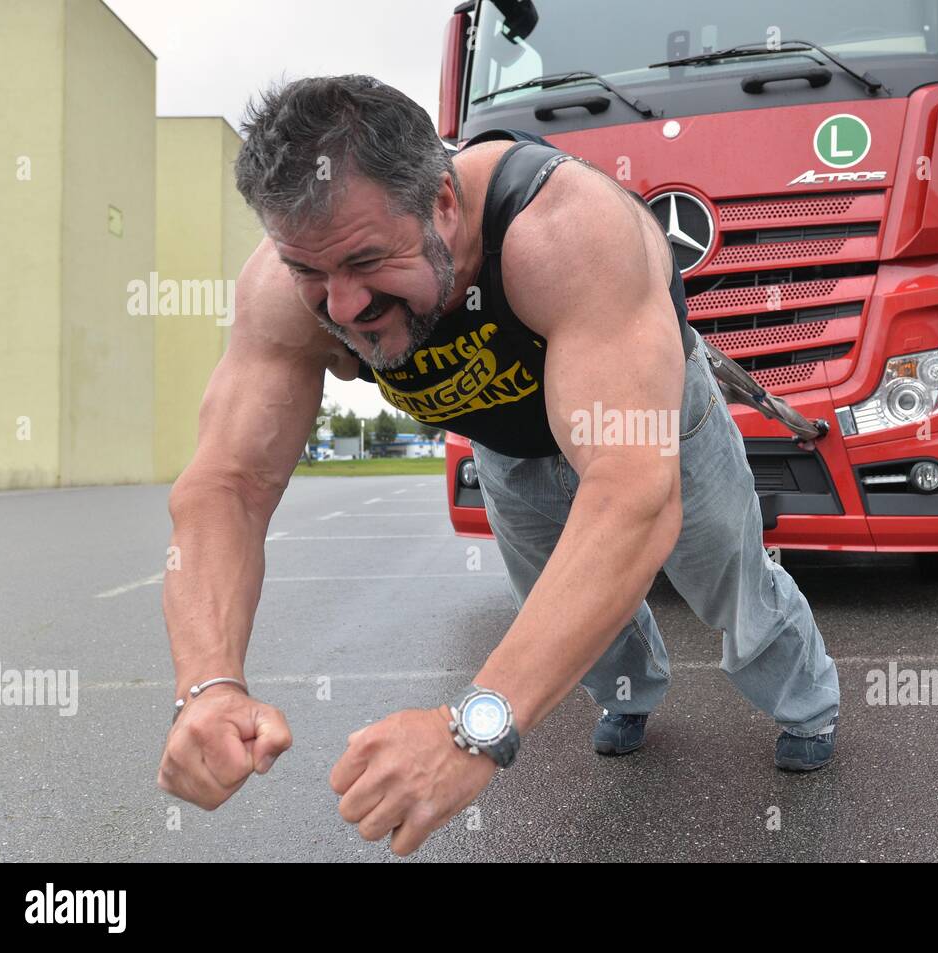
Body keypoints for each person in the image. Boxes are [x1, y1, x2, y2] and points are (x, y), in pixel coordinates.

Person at [156, 76, 839, 856]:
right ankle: (627, 693)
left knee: (728, 577)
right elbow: (227, 487)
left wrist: (476, 727)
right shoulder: (289, 285)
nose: (342, 307)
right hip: (509, 447)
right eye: (311, 272)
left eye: (368, 261)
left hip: (651, 427)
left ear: (444, 202)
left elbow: (632, 494)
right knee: (559, 597)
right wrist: (208, 685)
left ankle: (805, 703)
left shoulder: (565, 228)